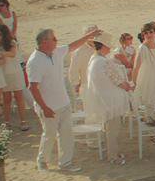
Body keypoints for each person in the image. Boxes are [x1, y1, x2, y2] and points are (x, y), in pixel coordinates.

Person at [27, 26, 100, 172]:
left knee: (66, 135)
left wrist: (90, 36)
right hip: (48, 106)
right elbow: (33, 87)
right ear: (44, 42)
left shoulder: (56, 52)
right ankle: (42, 160)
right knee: (49, 135)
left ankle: (65, 163)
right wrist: (44, 108)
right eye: (53, 38)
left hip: (63, 103)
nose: (56, 40)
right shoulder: (35, 61)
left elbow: (73, 45)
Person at [83, 32, 132, 164]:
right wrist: (128, 86)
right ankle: (113, 156)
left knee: (109, 128)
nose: (110, 48)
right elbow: (119, 82)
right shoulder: (104, 62)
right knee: (113, 130)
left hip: (102, 100)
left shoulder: (93, 60)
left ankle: (112, 152)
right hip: (111, 101)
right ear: (103, 46)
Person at [0, 25, 29, 131]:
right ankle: (7, 122)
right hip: (4, 74)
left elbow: (12, 54)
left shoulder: (12, 42)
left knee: (19, 98)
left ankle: (23, 121)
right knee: (6, 99)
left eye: (0, 34)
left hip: (15, 73)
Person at [132, 22, 155, 122]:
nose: (149, 35)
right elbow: (136, 67)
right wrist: (135, 83)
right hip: (147, 80)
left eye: (151, 32)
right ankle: (151, 133)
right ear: (143, 35)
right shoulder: (142, 49)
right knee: (149, 106)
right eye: (146, 33)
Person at [68, 25, 98, 97]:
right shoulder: (79, 51)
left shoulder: (100, 46)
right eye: (91, 35)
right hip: (87, 84)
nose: (94, 37)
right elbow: (73, 70)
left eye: (96, 35)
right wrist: (76, 84)